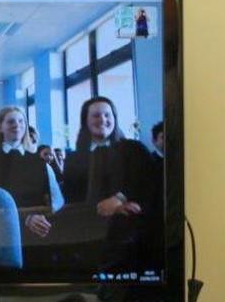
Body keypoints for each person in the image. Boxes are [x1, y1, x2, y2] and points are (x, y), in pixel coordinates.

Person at [59, 96, 161, 268]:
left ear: (115, 118)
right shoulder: (74, 159)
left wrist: (120, 200)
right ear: (85, 121)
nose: (103, 120)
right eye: (96, 115)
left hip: (131, 240)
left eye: (108, 115)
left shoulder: (134, 149)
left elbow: (150, 186)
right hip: (88, 238)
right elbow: (72, 200)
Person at [0, 106, 63, 238]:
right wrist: (24, 218)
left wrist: (42, 217)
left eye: (21, 121)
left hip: (37, 232)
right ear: (0, 127)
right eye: (11, 122)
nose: (17, 125)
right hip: (0, 232)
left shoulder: (39, 162)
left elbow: (57, 202)